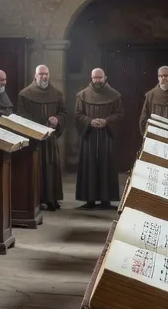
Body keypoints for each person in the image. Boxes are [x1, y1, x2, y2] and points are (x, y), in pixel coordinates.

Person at [18, 65, 67, 210]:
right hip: (35, 139)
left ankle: (52, 198)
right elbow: (22, 115)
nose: (44, 77)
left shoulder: (57, 94)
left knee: (51, 167)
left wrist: (57, 119)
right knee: (37, 168)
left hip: (50, 138)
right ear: (35, 76)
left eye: (46, 74)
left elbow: (63, 112)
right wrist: (39, 127)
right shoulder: (25, 94)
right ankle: (37, 200)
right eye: (41, 74)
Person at [74, 68, 123, 209]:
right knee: (89, 165)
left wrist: (106, 121)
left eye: (100, 78)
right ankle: (89, 200)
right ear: (91, 78)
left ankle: (106, 200)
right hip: (89, 135)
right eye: (95, 78)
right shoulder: (82, 95)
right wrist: (89, 121)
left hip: (106, 136)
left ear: (105, 78)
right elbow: (77, 114)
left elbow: (120, 114)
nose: (97, 80)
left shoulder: (114, 95)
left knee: (106, 165)